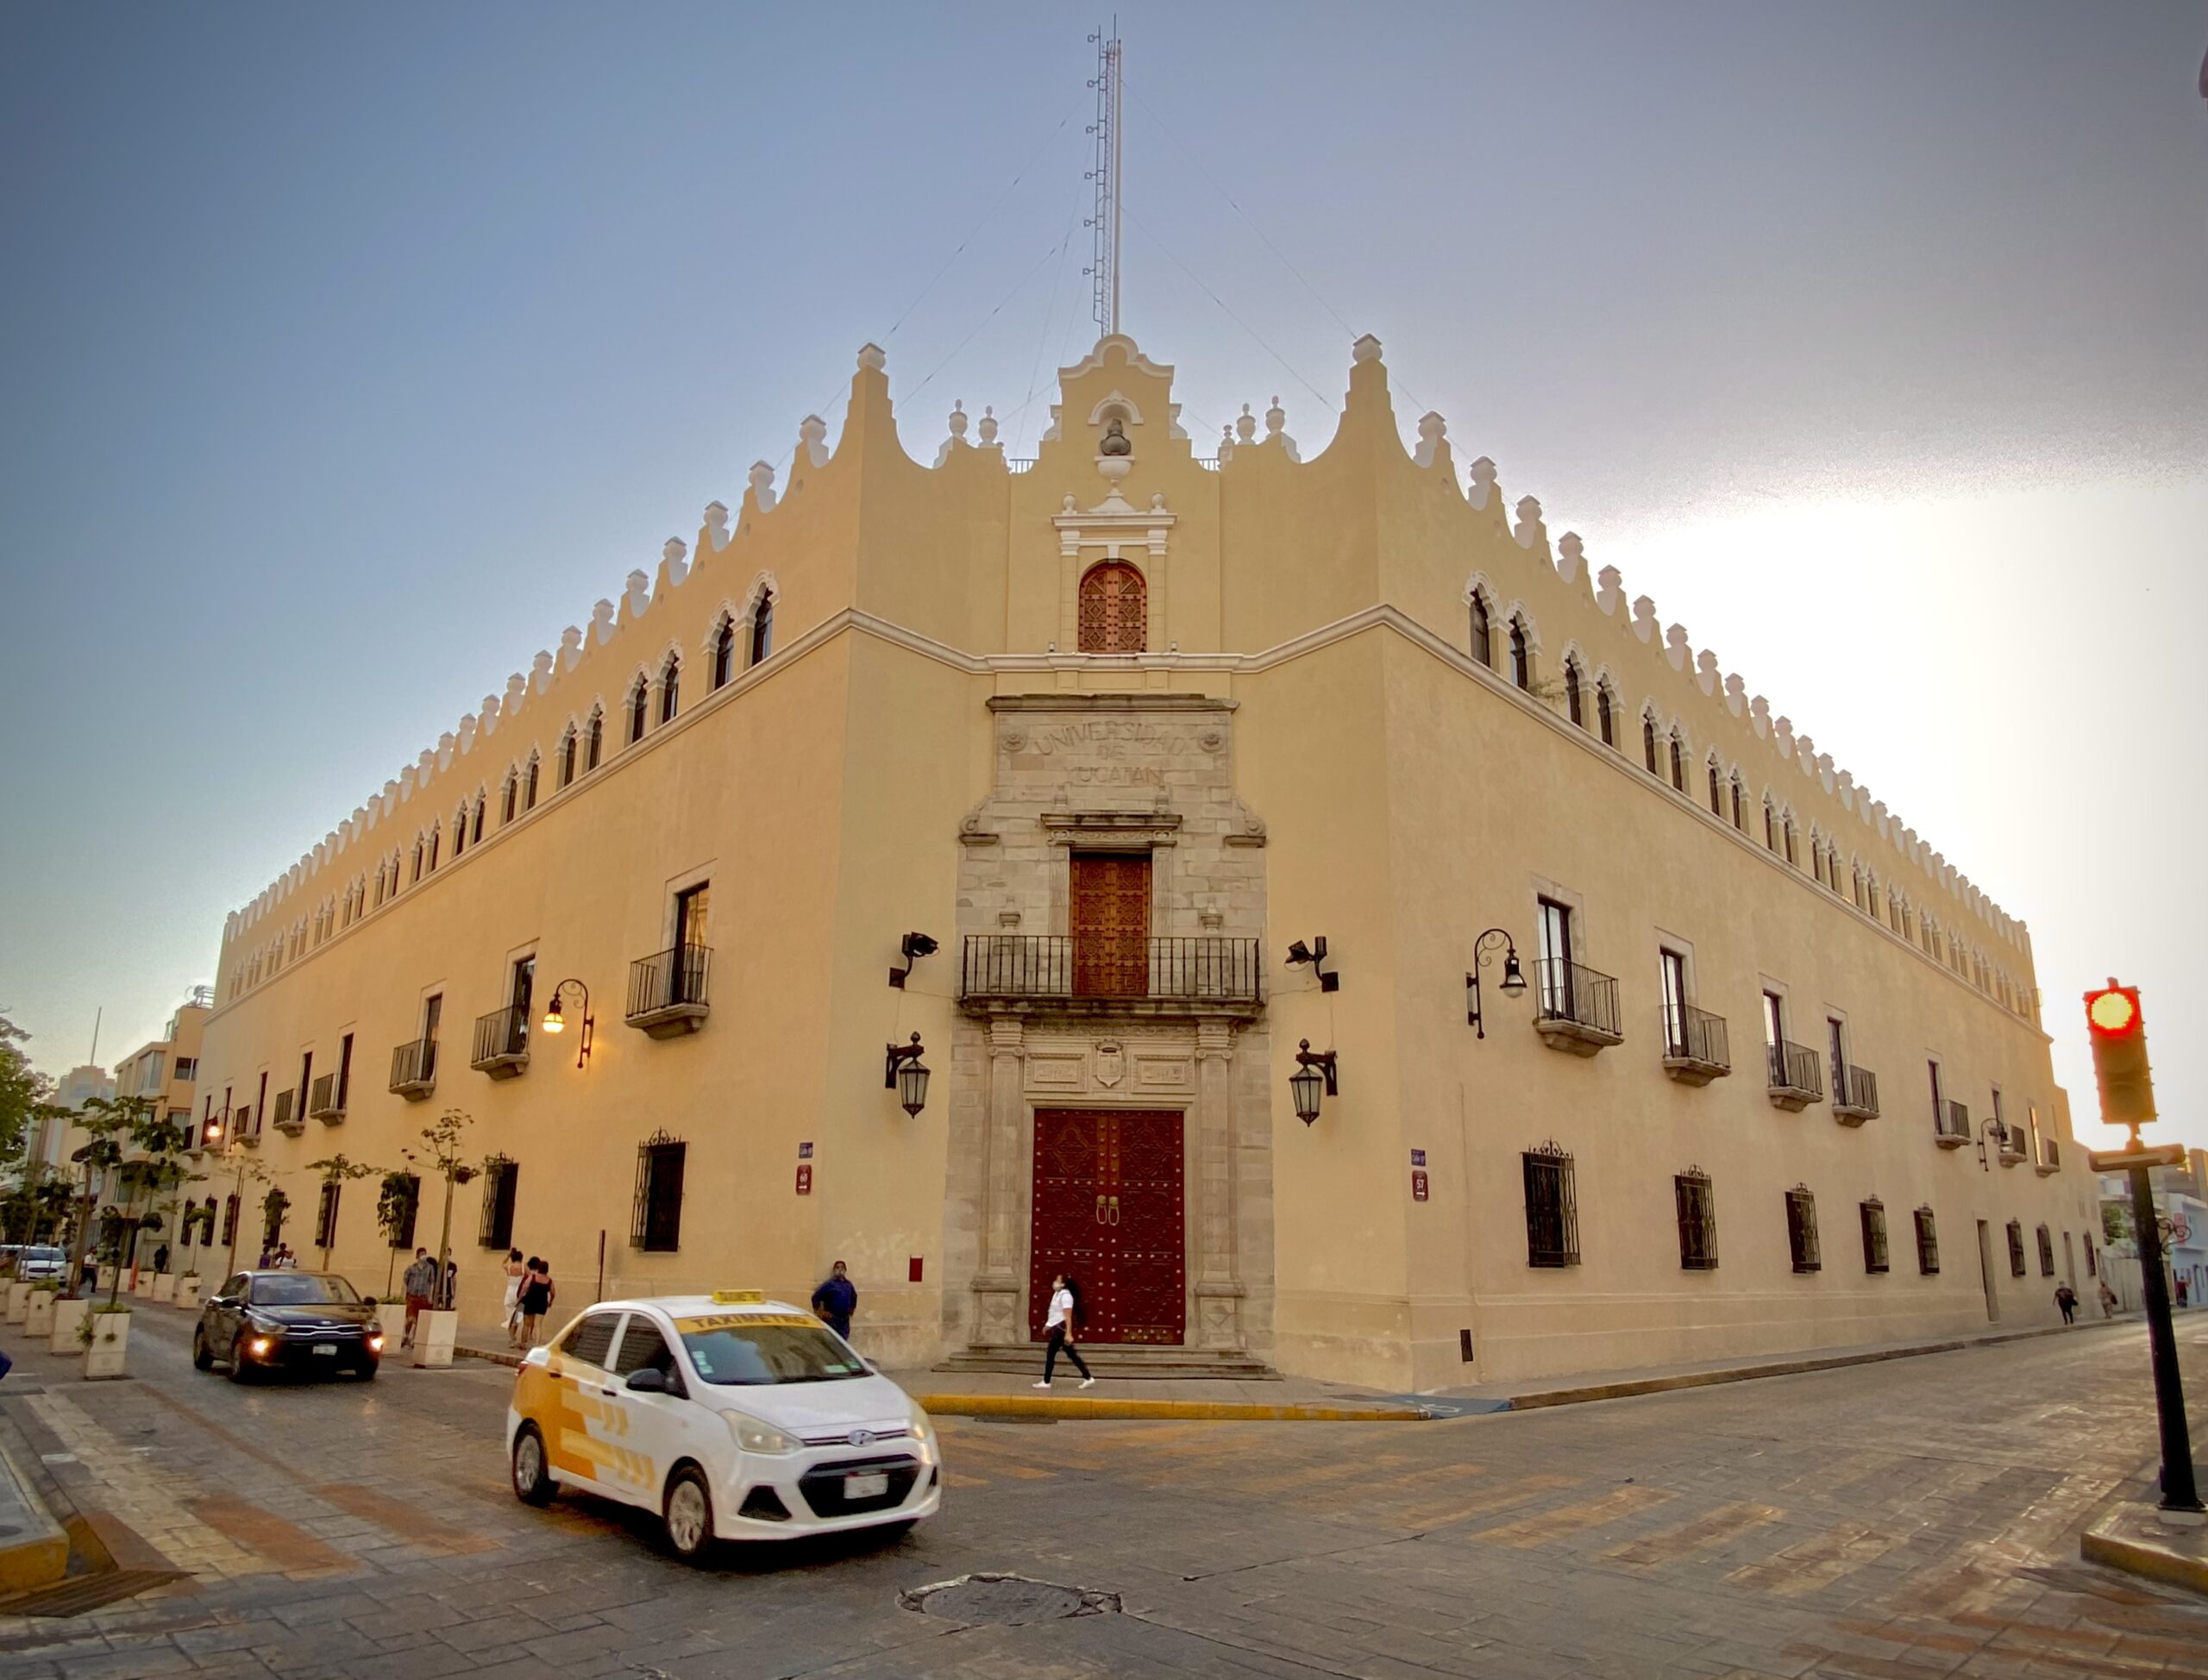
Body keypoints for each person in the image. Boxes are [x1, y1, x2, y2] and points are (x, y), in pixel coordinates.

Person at [1032, 1273, 1095, 1389]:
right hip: (1058, 1329)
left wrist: (1068, 1333)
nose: (1055, 1282)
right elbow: (1055, 1313)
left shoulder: (1066, 1296)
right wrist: (1048, 1325)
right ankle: (1088, 1377)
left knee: (1051, 1353)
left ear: (1063, 1284)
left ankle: (1046, 1381)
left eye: (1057, 1280)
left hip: (1061, 1331)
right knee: (1072, 1355)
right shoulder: (1058, 1294)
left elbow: (1067, 1316)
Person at [811, 1260, 857, 1340]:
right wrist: (820, 1312)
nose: (840, 1269)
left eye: (842, 1267)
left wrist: (851, 1310)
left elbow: (854, 1296)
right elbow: (816, 1297)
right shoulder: (830, 1284)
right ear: (834, 1270)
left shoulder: (848, 1285)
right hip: (832, 1320)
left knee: (843, 1343)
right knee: (833, 1342)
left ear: (845, 1270)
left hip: (844, 1322)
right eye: (837, 1267)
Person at [400, 1247, 437, 1346]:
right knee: (410, 1317)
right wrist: (403, 1295)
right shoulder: (411, 1268)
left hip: (423, 1296)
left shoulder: (430, 1268)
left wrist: (430, 1296)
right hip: (412, 1295)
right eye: (421, 1254)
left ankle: (411, 1338)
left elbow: (432, 1282)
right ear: (417, 1256)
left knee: (417, 1318)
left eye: (425, 1254)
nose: (423, 1256)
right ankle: (405, 1334)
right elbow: (405, 1282)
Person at [517, 1257, 553, 1349]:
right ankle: (537, 1343)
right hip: (542, 1302)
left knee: (526, 1324)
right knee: (538, 1324)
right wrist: (551, 1301)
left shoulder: (533, 1277)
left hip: (530, 1300)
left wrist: (519, 1298)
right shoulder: (549, 1280)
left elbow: (525, 1287)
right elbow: (553, 1292)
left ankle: (523, 1343)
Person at [501, 1249, 526, 1348]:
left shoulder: (509, 1267)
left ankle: (512, 1338)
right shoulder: (524, 1268)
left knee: (509, 1317)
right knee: (517, 1316)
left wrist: (508, 1256)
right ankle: (514, 1336)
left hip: (510, 1291)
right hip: (520, 1292)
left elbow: (502, 1263)